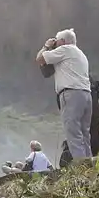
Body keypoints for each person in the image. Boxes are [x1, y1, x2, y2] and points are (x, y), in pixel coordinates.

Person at [36, 29, 92, 159]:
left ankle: (81, 168)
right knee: (85, 134)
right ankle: (89, 164)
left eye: (56, 40)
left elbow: (40, 59)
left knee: (73, 133)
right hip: (86, 95)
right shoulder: (80, 54)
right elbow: (47, 71)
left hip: (71, 94)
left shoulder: (65, 49)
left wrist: (46, 46)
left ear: (62, 41)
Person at [89, 75, 99, 156]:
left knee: (86, 133)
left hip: (87, 110)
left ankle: (90, 154)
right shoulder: (94, 82)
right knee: (95, 132)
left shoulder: (80, 82)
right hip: (96, 109)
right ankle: (96, 153)